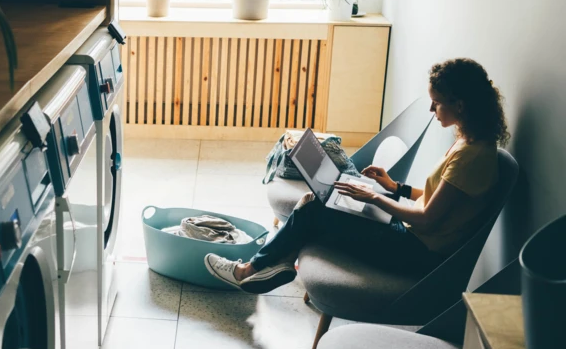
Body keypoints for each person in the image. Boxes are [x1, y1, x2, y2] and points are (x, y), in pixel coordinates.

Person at [205, 58, 510, 294]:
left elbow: (429, 219)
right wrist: (396, 187)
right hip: (411, 233)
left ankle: (248, 271)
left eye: (437, 102)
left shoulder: (472, 157)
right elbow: (440, 200)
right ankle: (279, 263)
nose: (432, 108)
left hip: (416, 252)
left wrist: (375, 197)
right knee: (322, 197)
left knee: (313, 209)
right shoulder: (467, 142)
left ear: (461, 104)